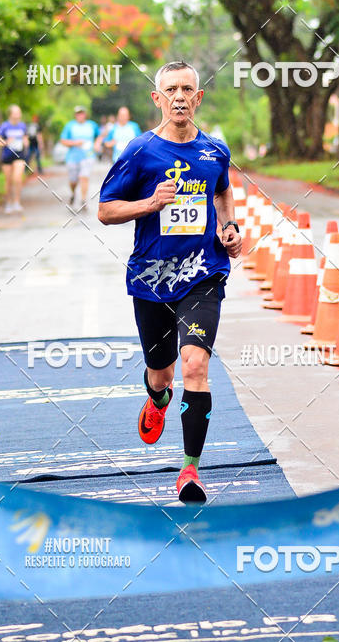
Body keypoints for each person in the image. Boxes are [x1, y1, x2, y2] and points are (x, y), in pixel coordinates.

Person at [98, 60, 242, 504]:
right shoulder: (139, 152)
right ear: (157, 99)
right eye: (170, 90)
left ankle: (189, 471)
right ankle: (157, 398)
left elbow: (221, 190)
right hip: (151, 279)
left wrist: (230, 226)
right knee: (161, 372)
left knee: (195, 365)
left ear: (198, 99)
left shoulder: (215, 151)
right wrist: (149, 203)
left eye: (187, 89)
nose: (179, 97)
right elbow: (105, 210)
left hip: (204, 274)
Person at [60, 106, 100, 210]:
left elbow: (99, 136)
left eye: (82, 113)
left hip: (88, 156)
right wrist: (74, 143)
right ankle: (73, 193)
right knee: (73, 180)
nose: (80, 116)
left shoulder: (92, 125)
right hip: (73, 157)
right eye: (78, 114)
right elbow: (63, 141)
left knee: (84, 176)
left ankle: (83, 200)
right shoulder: (70, 126)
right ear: (75, 115)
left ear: (85, 114)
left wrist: (97, 144)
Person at [0, 105, 28, 214]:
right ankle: (8, 202)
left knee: (17, 178)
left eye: (19, 112)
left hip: (19, 155)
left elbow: (26, 139)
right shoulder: (4, 126)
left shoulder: (22, 126)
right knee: (8, 181)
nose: (18, 115)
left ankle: (17, 202)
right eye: (16, 113)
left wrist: (25, 142)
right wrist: (6, 142)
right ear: (10, 114)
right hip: (7, 156)